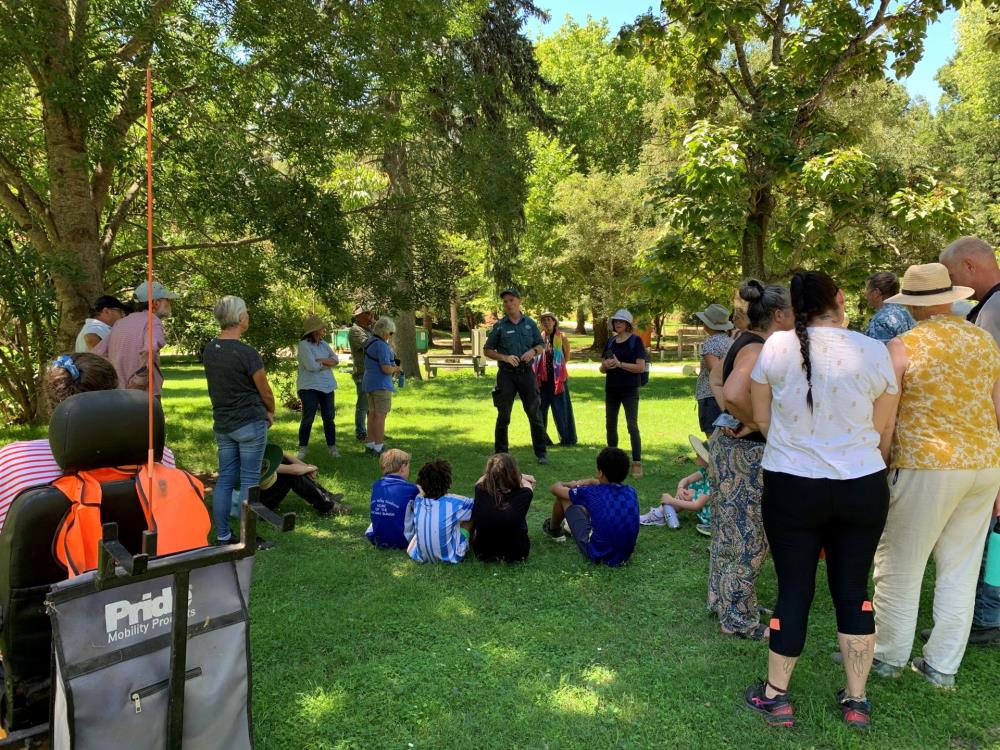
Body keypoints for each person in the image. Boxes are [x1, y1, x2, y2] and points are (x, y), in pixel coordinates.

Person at [744, 271, 899, 729]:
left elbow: (760, 415)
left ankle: (776, 696)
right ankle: (856, 700)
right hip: (862, 484)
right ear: (841, 298)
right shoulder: (873, 350)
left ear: (794, 307)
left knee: (794, 587)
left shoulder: (775, 346)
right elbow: (884, 429)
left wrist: (793, 449)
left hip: (793, 485)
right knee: (854, 590)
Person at [871, 262, 1000, 688]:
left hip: (927, 464)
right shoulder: (984, 342)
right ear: (951, 297)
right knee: (960, 570)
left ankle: (888, 656)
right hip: (984, 464)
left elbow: (886, 420)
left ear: (912, 303)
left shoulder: (902, 346)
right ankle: (942, 667)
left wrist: (881, 462)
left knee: (899, 564)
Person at [0, 353, 176, 535]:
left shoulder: (14, 461)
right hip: (138, 561)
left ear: (50, 402)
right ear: (115, 394)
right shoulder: (160, 459)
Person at [706, 281, 793, 641]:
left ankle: (725, 599)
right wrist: (756, 421)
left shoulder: (742, 340)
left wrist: (734, 415)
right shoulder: (759, 348)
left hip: (730, 448)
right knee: (748, 536)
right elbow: (733, 390)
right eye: (793, 313)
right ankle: (737, 618)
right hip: (747, 454)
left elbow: (715, 379)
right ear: (777, 315)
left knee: (729, 531)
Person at [940, 236, 1000, 647]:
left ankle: (986, 617)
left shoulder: (993, 309)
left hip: (983, 440)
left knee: (986, 535)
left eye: (951, 274)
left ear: (970, 266)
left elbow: (991, 386)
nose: (951, 283)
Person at [202, 295, 275, 546]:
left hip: (223, 422)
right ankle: (248, 536)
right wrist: (270, 409)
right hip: (249, 421)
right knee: (249, 480)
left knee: (225, 479)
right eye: (246, 313)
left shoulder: (210, 349)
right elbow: (264, 389)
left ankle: (223, 535)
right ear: (241, 318)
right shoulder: (246, 353)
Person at [541, 447, 640, 567]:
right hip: (624, 554)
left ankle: (554, 530)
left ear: (601, 473)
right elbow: (603, 485)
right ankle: (570, 526)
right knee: (593, 507)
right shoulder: (631, 491)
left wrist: (567, 484)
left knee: (564, 498)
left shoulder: (592, 493)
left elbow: (555, 489)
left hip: (598, 554)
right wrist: (590, 481)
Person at [483, 288, 548, 465]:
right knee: (504, 415)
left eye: (512, 300)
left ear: (519, 301)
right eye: (505, 302)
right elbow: (487, 350)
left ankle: (541, 452)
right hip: (506, 375)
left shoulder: (530, 324)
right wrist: (504, 357)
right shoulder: (500, 326)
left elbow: (541, 344)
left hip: (526, 373)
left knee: (534, 413)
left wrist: (532, 351)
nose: (509, 304)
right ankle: (501, 454)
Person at [94, 280, 178, 397]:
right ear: (155, 303)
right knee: (150, 416)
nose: (170, 303)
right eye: (167, 300)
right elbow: (150, 349)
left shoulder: (121, 322)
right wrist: (140, 380)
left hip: (119, 393)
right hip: (144, 394)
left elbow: (97, 353)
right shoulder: (153, 321)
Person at [600, 309, 647, 479]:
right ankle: (610, 463)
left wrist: (620, 364)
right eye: (615, 321)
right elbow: (601, 368)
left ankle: (637, 463)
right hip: (611, 389)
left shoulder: (636, 341)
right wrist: (606, 366)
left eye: (621, 321)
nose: (618, 324)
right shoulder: (611, 341)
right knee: (610, 425)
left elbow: (640, 367)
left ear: (628, 324)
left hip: (629, 390)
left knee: (631, 425)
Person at [404, 459, 474, 564]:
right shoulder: (456, 503)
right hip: (451, 557)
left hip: (421, 556)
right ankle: (466, 545)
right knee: (470, 517)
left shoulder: (418, 500)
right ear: (448, 481)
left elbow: (421, 491)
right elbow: (478, 506)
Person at [255, 443, 351, 517]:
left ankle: (325, 495)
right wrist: (311, 468)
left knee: (287, 462)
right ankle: (328, 507)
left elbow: (282, 453)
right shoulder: (252, 456)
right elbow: (293, 471)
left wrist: (305, 466)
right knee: (291, 476)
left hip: (259, 495)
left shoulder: (254, 444)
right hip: (257, 505)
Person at [471, 453, 535, 563]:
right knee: (518, 515)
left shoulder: (480, 490)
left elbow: (482, 479)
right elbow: (529, 483)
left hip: (483, 552)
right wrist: (521, 476)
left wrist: (495, 471)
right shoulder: (525, 493)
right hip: (517, 554)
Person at [640, 435, 712, 533]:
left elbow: (696, 505)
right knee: (690, 491)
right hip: (709, 508)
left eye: (699, 454)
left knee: (691, 492)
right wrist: (680, 489)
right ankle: (660, 513)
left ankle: (658, 515)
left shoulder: (712, 480)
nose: (696, 454)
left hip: (711, 519)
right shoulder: (705, 470)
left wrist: (671, 500)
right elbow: (686, 480)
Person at [296, 315, 339, 459]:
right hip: (309, 386)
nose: (324, 330)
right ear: (314, 331)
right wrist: (327, 363)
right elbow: (311, 367)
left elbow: (336, 360)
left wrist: (320, 360)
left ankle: (332, 448)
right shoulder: (304, 345)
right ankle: (302, 449)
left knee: (329, 418)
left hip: (327, 385)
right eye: (321, 328)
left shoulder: (324, 344)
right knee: (308, 418)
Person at [534, 312, 577, 447]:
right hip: (542, 379)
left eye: (549, 320)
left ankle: (567, 439)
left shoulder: (562, 337)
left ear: (554, 322)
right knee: (540, 409)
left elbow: (566, 357)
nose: (546, 322)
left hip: (558, 379)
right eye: (544, 320)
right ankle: (543, 439)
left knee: (561, 409)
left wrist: (558, 370)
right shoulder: (539, 338)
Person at [362, 316, 401, 456]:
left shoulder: (369, 341)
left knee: (372, 414)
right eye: (391, 333)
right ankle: (379, 447)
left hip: (369, 382)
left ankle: (370, 444)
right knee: (380, 416)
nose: (390, 336)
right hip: (381, 384)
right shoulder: (382, 345)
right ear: (385, 332)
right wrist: (396, 369)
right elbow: (385, 368)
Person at [693, 303, 733, 437]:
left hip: (711, 396)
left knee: (713, 438)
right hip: (727, 394)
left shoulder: (711, 343)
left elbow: (715, 373)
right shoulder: (730, 341)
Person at [366, 449, 419, 549]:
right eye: (408, 467)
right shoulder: (411, 489)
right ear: (403, 468)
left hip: (377, 539)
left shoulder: (376, 485)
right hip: (403, 541)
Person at [863, 271, 915, 342]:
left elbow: (878, 351)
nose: (865, 294)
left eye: (867, 289)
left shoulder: (880, 321)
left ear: (876, 293)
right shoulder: (906, 312)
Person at [349, 307, 375, 441]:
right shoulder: (355, 331)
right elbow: (369, 344)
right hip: (362, 373)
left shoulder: (369, 330)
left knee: (373, 405)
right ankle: (361, 433)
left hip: (373, 373)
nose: (370, 316)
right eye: (367, 314)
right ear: (358, 316)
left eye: (370, 314)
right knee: (363, 405)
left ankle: (374, 431)